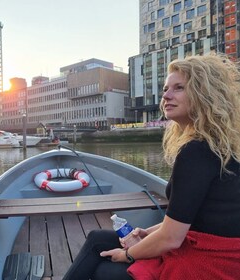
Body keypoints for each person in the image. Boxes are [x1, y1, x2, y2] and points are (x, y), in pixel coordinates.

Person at [63, 53, 240, 280]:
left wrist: (127, 254)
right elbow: (191, 218)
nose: (166, 95)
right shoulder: (219, 147)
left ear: (204, 95)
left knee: (104, 271)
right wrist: (147, 232)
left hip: (212, 261)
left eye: (178, 88)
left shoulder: (196, 151)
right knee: (98, 238)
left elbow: (171, 239)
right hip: (218, 249)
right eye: (166, 88)